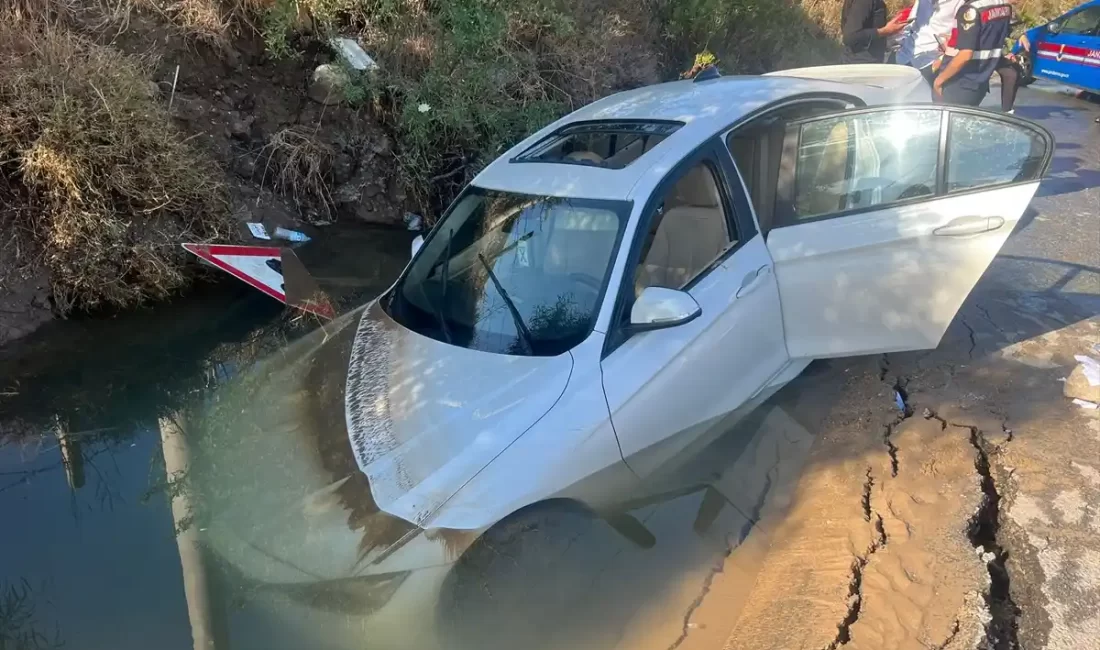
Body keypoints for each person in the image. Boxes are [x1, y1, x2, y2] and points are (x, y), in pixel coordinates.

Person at [932, 0, 1014, 106]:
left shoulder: (971, 9)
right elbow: (987, 39)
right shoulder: (1004, 7)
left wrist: (939, 81)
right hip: (980, 81)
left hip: (959, 81)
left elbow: (966, 54)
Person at [897, 0, 965, 85]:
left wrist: (943, 57)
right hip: (905, 57)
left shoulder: (960, 3)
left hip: (932, 63)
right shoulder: (922, 2)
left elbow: (966, 34)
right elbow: (912, 24)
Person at [842, 0, 908, 63]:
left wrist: (888, 29)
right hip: (861, 65)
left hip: (867, 62)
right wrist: (885, 31)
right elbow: (850, 36)